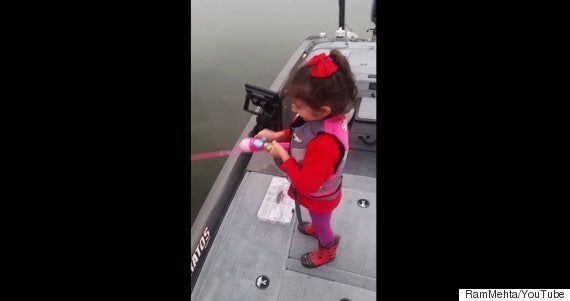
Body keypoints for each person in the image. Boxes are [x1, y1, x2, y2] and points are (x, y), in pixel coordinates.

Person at [255, 50, 357, 268]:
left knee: (322, 224)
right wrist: (276, 136)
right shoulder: (314, 117)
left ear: (322, 111)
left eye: (298, 106)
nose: (293, 109)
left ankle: (327, 248)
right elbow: (298, 133)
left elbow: (307, 184)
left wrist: (283, 156)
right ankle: (320, 227)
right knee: (319, 220)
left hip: (320, 197)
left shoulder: (325, 145)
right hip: (316, 194)